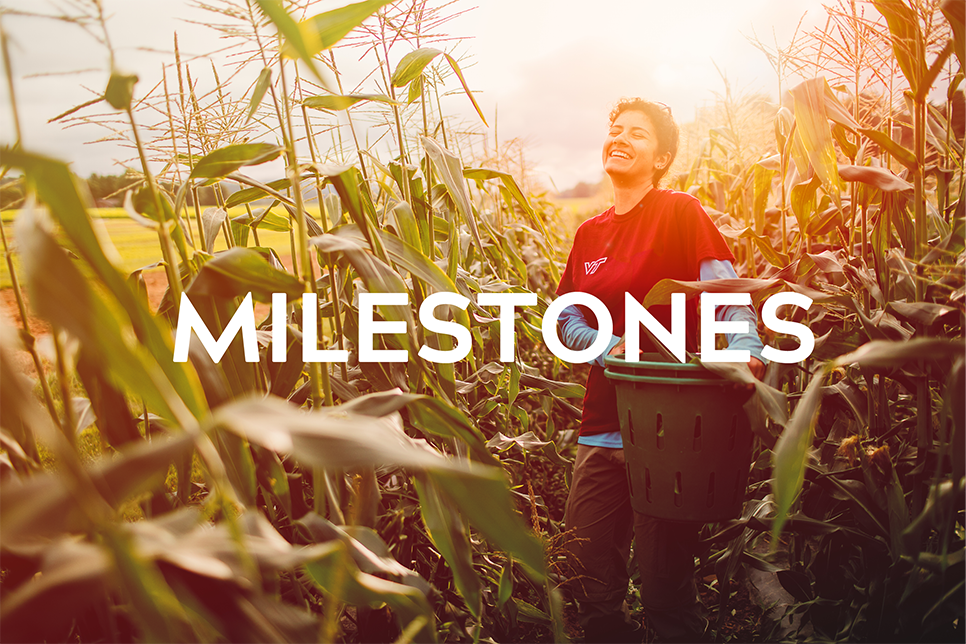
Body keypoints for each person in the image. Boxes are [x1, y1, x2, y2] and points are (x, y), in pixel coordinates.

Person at [555, 98, 767, 644]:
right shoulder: (590, 235)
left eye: (638, 134)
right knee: (586, 565)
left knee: (665, 587)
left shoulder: (679, 212)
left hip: (669, 427)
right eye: (614, 129)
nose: (619, 138)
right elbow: (567, 315)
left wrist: (744, 346)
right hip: (604, 419)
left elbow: (724, 290)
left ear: (662, 156)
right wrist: (608, 346)